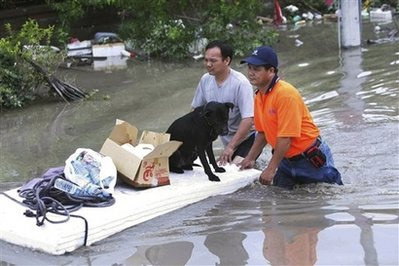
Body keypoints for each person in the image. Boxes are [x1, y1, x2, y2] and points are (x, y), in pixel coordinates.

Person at [239, 45, 343, 189]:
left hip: (309, 160)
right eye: (249, 68)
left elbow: (285, 139)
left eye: (256, 69)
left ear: (271, 71)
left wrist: (270, 169)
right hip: (285, 161)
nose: (251, 73)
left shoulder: (285, 94)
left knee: (328, 199)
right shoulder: (259, 95)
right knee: (281, 203)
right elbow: (262, 133)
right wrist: (249, 158)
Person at [191, 40, 255, 165]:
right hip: (226, 136)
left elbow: (248, 120)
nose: (208, 64)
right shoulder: (205, 80)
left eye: (213, 61)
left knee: (237, 167)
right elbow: (196, 112)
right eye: (206, 60)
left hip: (248, 138)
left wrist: (230, 147)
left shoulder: (241, 83)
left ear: (226, 61)